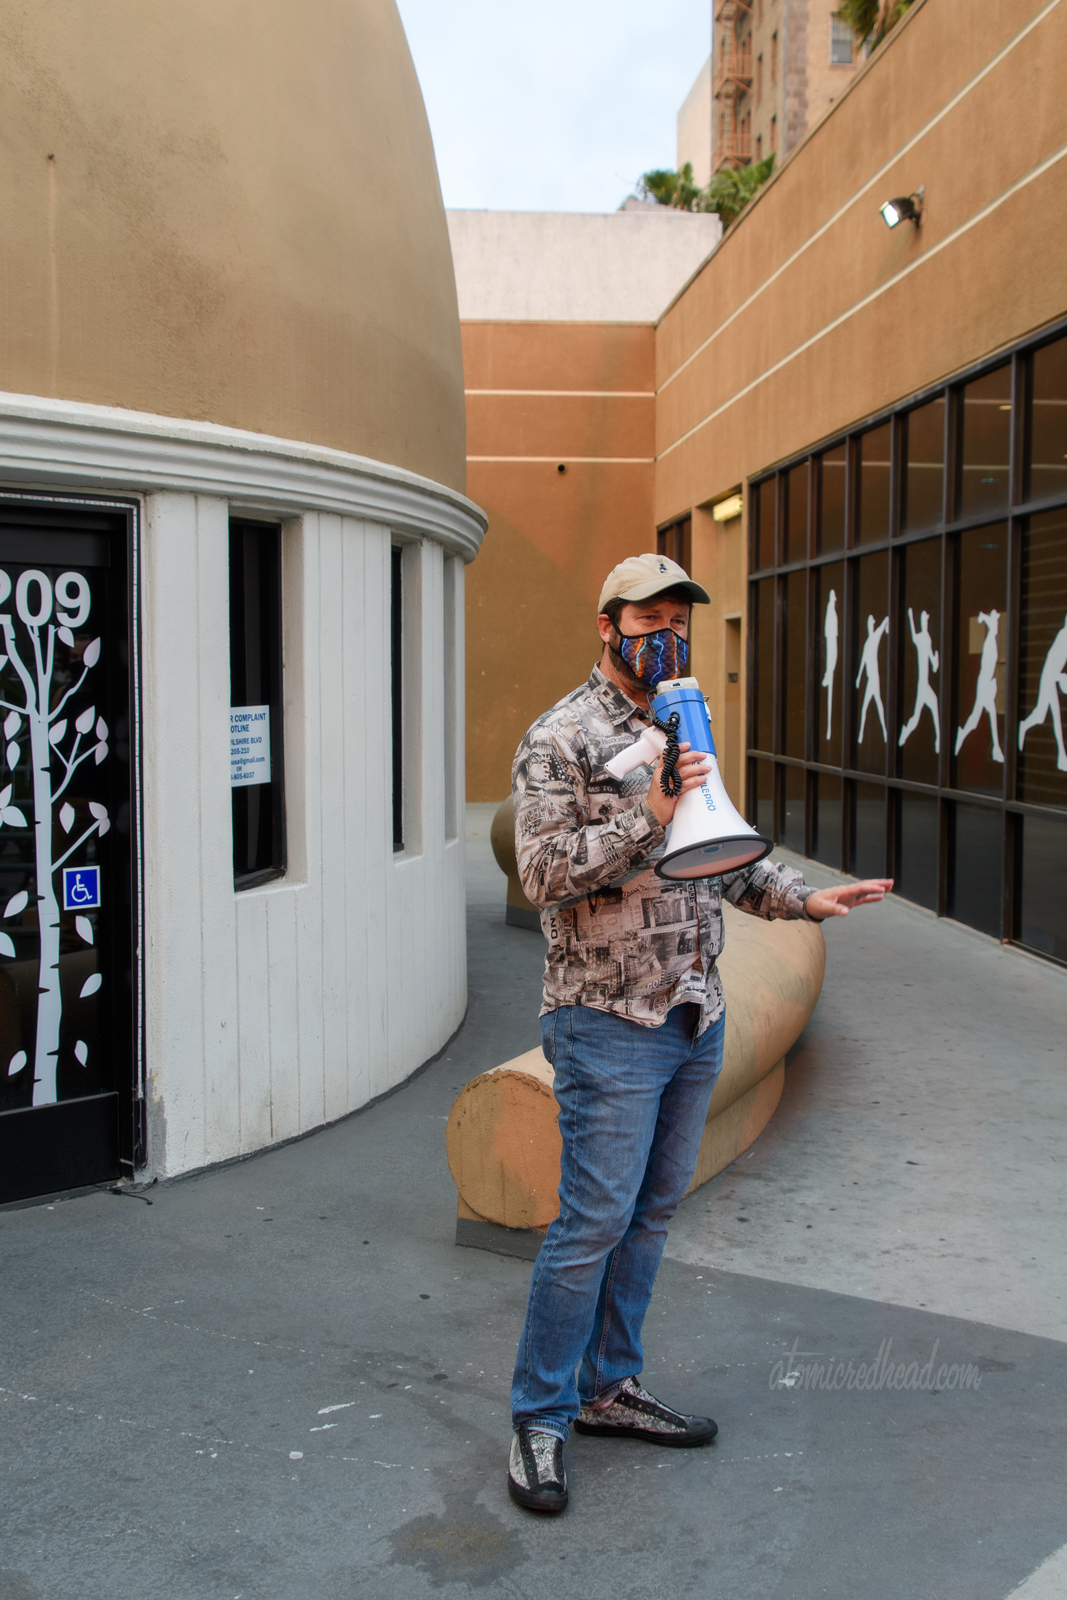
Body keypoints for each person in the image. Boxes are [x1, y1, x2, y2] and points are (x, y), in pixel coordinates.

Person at [506, 552, 892, 1515]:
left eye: (679, 616)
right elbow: (542, 876)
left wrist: (804, 900)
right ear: (608, 625)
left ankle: (609, 1388)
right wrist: (647, 816)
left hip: (693, 1007)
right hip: (605, 1018)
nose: (666, 633)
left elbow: (714, 859)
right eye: (648, 617)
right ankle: (540, 1419)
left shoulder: (682, 723)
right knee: (590, 1223)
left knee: (648, 1216)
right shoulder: (559, 737)